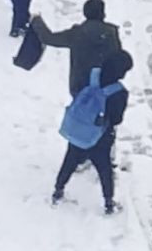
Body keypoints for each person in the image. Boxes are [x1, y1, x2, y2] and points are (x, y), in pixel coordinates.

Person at [52, 48, 133, 214]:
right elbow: (117, 119)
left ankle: (58, 190)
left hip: (79, 129)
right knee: (104, 170)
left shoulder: (91, 77)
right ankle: (108, 202)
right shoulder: (118, 93)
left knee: (70, 160)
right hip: (100, 137)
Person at [32, 0, 123, 98]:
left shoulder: (77, 33)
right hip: (106, 86)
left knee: (81, 112)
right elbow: (118, 58)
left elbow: (48, 38)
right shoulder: (111, 33)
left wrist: (36, 21)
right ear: (102, 13)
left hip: (81, 87)